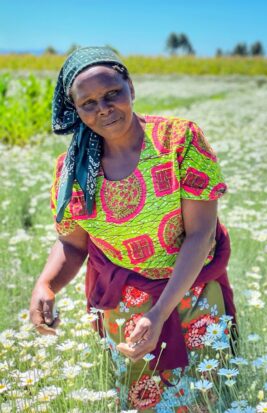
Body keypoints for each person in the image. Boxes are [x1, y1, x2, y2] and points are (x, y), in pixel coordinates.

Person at [29, 47, 236, 411]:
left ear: (131, 87)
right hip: (126, 306)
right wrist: (46, 284)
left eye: (112, 94)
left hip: (193, 293)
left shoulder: (178, 140)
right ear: (75, 109)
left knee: (212, 398)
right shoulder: (72, 169)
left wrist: (159, 314)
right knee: (142, 403)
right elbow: (73, 244)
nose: (104, 108)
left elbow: (200, 236)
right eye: (88, 102)